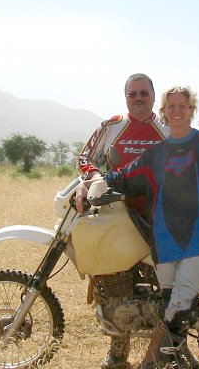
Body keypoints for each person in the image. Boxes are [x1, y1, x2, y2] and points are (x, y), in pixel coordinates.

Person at [78, 85, 199, 369]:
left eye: (182, 107)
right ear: (163, 111)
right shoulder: (139, 142)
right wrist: (94, 182)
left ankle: (158, 361)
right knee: (146, 296)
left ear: (190, 110)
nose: (176, 112)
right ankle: (158, 357)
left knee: (176, 299)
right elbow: (118, 173)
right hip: (150, 231)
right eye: (171, 107)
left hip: (189, 233)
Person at [76, 73, 168, 369]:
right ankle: (118, 353)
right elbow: (84, 157)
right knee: (113, 284)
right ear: (125, 97)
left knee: (168, 286)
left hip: (159, 215)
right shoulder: (112, 126)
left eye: (143, 93)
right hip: (117, 214)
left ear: (154, 96)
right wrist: (92, 177)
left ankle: (174, 349)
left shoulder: (167, 125)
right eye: (132, 94)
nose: (138, 98)